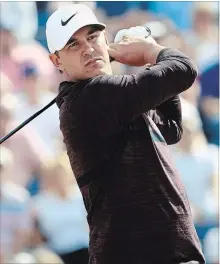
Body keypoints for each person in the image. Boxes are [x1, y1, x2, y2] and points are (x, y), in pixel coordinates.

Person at [46, 4, 205, 264]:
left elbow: (171, 128)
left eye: (93, 36)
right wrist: (151, 52)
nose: (87, 48)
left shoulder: (111, 98)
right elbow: (183, 70)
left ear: (105, 38)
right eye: (73, 45)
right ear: (57, 61)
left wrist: (149, 61)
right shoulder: (92, 96)